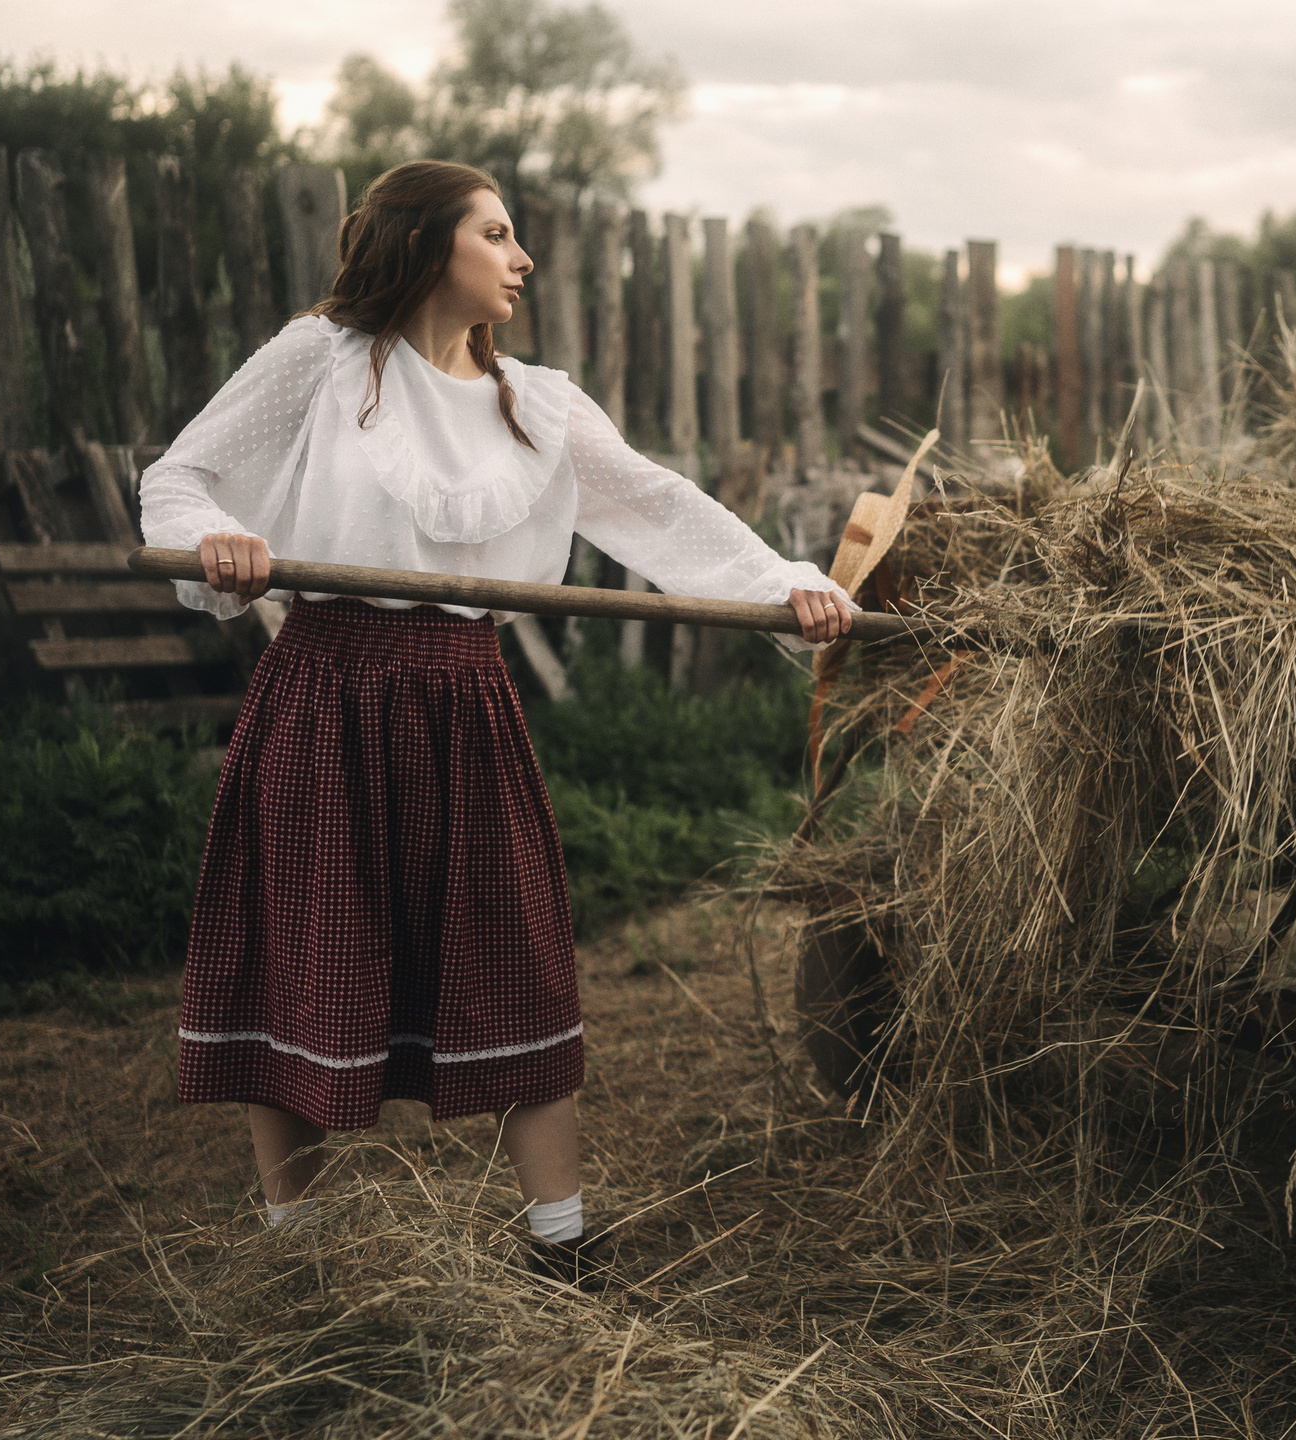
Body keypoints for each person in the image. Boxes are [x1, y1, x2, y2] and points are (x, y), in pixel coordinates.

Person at [138, 159, 854, 1285]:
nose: (523, 260)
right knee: (305, 951)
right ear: (427, 245)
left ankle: (559, 1249)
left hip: (465, 702)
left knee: (513, 949)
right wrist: (212, 541)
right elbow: (181, 477)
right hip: (325, 695)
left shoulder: (540, 404)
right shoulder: (320, 361)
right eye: (497, 234)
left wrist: (786, 588)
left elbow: (661, 507)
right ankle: (295, 1258)